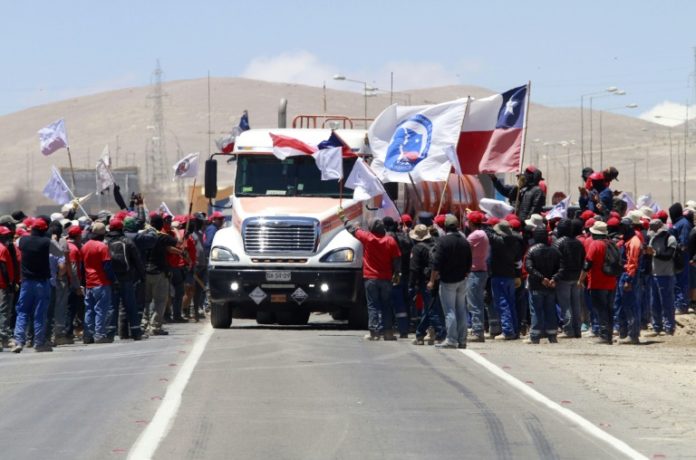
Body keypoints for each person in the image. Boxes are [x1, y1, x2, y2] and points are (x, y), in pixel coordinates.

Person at [343, 216, 401, 341]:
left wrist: (344, 218)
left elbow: (352, 229)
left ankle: (374, 333)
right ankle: (388, 333)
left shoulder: (367, 238)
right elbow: (397, 260)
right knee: (387, 305)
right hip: (386, 278)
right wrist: (397, 274)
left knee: (373, 305)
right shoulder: (390, 240)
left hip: (370, 278)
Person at [429, 214, 472, 349]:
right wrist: (465, 274)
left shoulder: (443, 242)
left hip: (448, 280)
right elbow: (469, 262)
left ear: (446, 227)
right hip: (462, 279)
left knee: (449, 311)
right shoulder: (465, 241)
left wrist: (432, 280)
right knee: (461, 309)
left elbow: (436, 263)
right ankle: (462, 339)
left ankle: (452, 339)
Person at [12, 218, 52, 353]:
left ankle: (19, 341)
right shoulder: (47, 242)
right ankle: (39, 343)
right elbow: (60, 252)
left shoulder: (22, 240)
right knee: (39, 313)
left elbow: (15, 245)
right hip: (42, 282)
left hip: (27, 283)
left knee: (22, 311)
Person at [105, 218, 146, 340]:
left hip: (111, 279)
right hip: (127, 278)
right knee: (131, 306)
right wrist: (142, 276)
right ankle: (136, 332)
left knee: (112, 307)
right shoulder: (127, 242)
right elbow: (137, 261)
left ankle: (110, 334)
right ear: (121, 228)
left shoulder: (105, 242)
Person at [579, 221, 619, 344]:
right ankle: (609, 335)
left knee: (600, 310)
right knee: (609, 309)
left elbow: (587, 264)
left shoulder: (595, 244)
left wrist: (580, 279)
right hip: (611, 281)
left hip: (597, 282)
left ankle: (604, 336)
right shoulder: (612, 243)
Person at [142, 215, 180, 336]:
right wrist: (176, 231)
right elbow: (178, 242)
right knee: (160, 300)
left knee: (146, 300)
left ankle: (144, 324)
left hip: (145, 272)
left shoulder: (144, 236)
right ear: (161, 224)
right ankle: (155, 326)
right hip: (159, 272)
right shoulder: (162, 237)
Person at [486, 220, 523, 340]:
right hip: (510, 276)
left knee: (502, 304)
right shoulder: (516, 243)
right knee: (511, 303)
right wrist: (517, 275)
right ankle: (515, 329)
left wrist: (489, 225)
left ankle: (507, 331)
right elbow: (518, 262)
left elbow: (487, 232)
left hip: (499, 276)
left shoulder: (498, 241)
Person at [409, 224, 444, 345]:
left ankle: (441, 333)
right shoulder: (436, 244)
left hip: (426, 282)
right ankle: (420, 334)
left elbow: (414, 269)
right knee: (429, 308)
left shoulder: (417, 248)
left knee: (431, 310)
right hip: (438, 279)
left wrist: (412, 285)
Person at [525, 227, 561, 344]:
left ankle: (535, 335)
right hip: (550, 285)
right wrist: (553, 279)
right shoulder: (554, 251)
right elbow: (561, 268)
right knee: (550, 309)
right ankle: (552, 335)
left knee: (536, 310)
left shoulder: (531, 250)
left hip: (536, 285)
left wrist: (541, 278)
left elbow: (529, 267)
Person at [81, 222, 114, 344]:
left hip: (89, 283)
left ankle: (87, 335)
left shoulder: (85, 246)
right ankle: (99, 334)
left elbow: (81, 266)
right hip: (101, 282)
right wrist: (113, 280)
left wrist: (83, 282)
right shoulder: (102, 247)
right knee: (101, 310)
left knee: (89, 309)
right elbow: (107, 266)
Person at [553, 219, 586, 338]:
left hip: (563, 278)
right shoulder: (578, 243)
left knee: (565, 305)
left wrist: (554, 277)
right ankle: (577, 330)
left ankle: (568, 330)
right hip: (577, 277)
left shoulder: (558, 243)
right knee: (576, 305)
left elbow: (555, 261)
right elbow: (584, 260)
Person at [614, 216, 643, 344]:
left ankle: (633, 335)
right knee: (620, 304)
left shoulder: (634, 242)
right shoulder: (627, 240)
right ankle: (624, 332)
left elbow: (633, 263)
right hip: (623, 274)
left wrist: (628, 280)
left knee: (630, 305)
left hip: (629, 276)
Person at [647, 219, 677, 335]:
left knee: (667, 302)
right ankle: (657, 327)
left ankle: (669, 327)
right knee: (654, 303)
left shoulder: (671, 239)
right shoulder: (653, 239)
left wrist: (654, 253)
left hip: (666, 275)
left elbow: (668, 255)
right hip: (654, 274)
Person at [384, 216, 412, 338]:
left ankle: (388, 328)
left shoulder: (388, 237)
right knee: (403, 302)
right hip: (405, 273)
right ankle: (404, 329)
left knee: (390, 302)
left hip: (393, 274)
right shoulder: (405, 236)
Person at [464, 211, 489, 343]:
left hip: (475, 272)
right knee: (477, 302)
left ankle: (478, 331)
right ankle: (478, 330)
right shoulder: (482, 234)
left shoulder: (475, 235)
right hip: (481, 270)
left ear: (472, 223)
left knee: (474, 303)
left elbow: (464, 250)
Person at [669, 203, 692, 314]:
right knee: (676, 281)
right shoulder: (678, 223)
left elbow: (683, 243)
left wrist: (675, 247)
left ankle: (682, 305)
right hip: (675, 256)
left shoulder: (683, 224)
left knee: (681, 281)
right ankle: (678, 304)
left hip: (681, 257)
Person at [0, 226, 15, 351]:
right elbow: (3, 267)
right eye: (5, 235)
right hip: (2, 285)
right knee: (4, 312)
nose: (7, 237)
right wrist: (9, 284)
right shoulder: (2, 249)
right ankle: (4, 338)